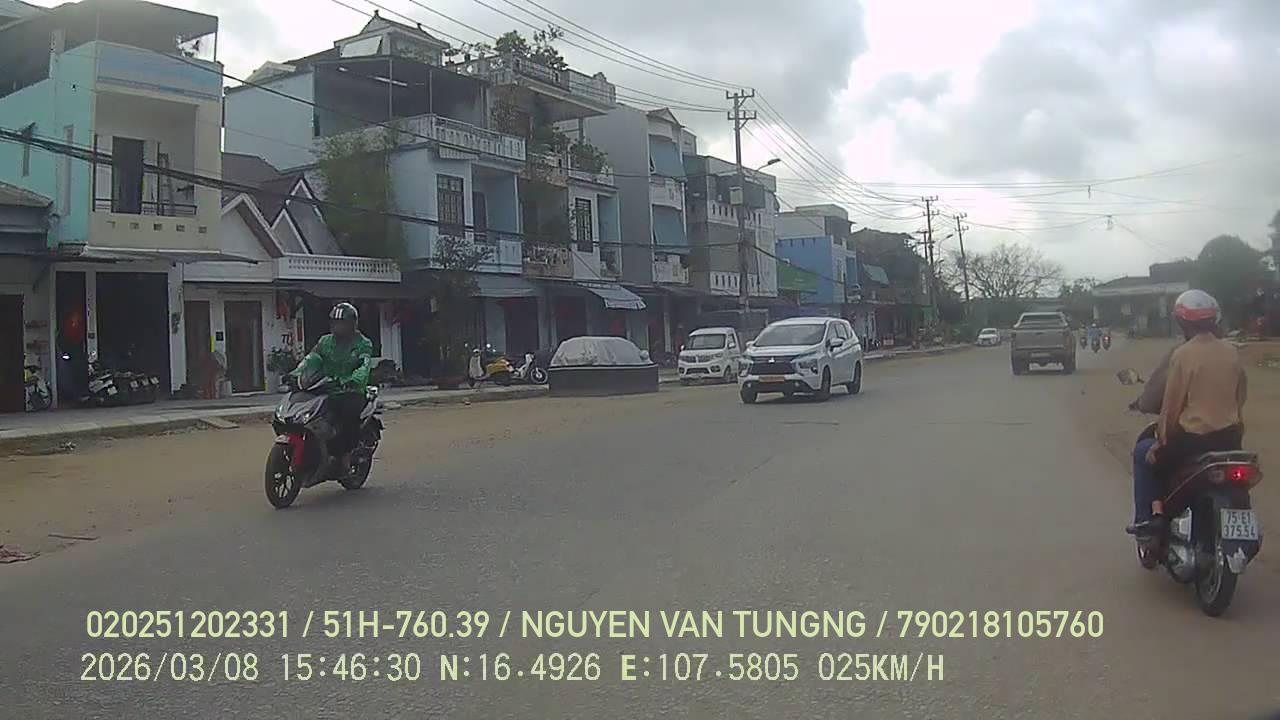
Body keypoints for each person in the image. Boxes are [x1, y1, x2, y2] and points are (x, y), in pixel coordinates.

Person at [1127, 290, 1247, 536]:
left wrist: (1161, 441)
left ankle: (1153, 520)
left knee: (1143, 454)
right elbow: (1240, 397)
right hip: (1230, 439)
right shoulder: (1231, 351)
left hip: (1193, 441)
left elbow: (1171, 407)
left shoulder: (1183, 354)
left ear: (1182, 322)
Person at [291, 302, 374, 477]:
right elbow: (311, 359)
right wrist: (296, 373)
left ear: (352, 324)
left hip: (350, 391)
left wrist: (353, 380)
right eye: (334, 323)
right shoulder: (325, 341)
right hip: (326, 386)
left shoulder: (363, 344)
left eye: (341, 323)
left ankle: (346, 456)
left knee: (347, 414)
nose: (337, 327)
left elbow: (364, 366)